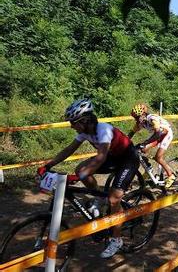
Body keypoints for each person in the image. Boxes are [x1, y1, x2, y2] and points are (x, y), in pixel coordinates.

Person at [37, 99, 139, 258]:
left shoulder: (103, 130)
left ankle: (116, 239)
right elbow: (68, 150)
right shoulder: (84, 132)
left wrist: (79, 177)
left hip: (128, 159)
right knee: (80, 168)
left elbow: (100, 157)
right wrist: (48, 165)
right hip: (112, 157)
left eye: (73, 122)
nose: (71, 126)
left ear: (84, 121)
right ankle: (99, 198)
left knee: (114, 199)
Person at [128, 103, 175, 188]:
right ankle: (148, 168)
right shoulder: (141, 122)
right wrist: (125, 141)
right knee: (139, 150)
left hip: (166, 133)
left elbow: (158, 133)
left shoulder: (152, 119)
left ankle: (171, 175)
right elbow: (131, 133)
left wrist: (145, 142)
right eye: (135, 118)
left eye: (137, 117)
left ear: (143, 114)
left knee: (158, 157)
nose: (136, 120)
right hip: (158, 135)